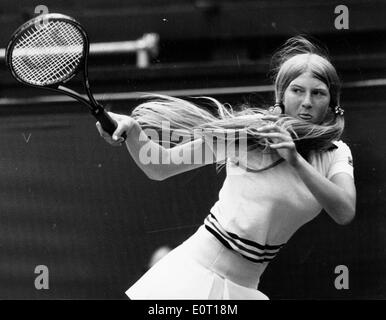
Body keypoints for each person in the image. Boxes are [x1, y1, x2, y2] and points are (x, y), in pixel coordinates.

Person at [96, 36, 356, 299]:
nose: (307, 101)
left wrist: (295, 160)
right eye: (297, 90)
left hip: (244, 289)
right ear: (281, 96)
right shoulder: (251, 133)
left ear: (333, 103)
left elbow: (344, 211)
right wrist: (133, 131)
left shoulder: (336, 153)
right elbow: (160, 167)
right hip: (193, 275)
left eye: (318, 93)